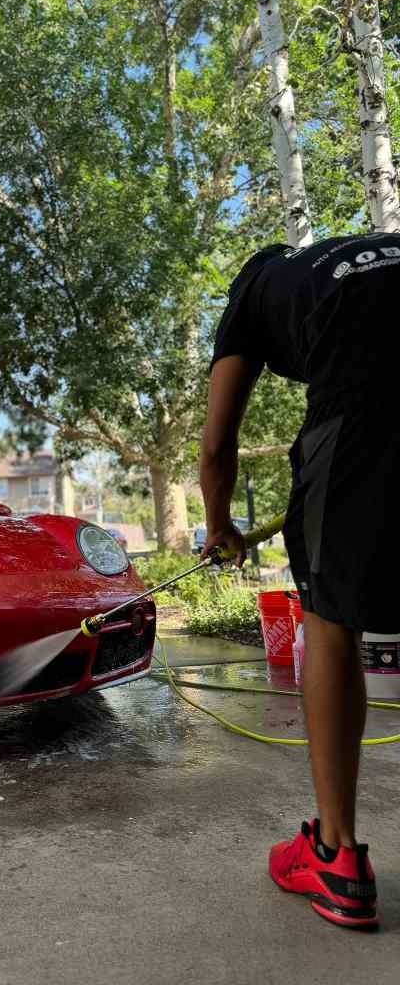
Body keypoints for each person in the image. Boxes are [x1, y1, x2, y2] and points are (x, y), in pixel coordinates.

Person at [199, 232, 400, 930]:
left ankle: (337, 857)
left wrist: (218, 524)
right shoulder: (354, 260)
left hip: (363, 400)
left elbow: (217, 442)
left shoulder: (254, 290)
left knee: (331, 616)